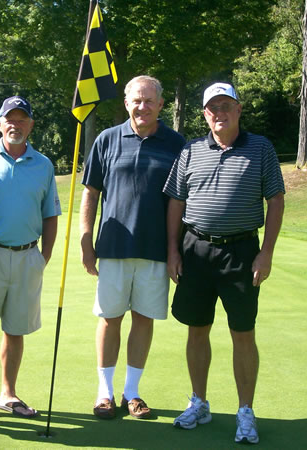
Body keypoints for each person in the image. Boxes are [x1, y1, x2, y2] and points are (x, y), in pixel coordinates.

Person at [164, 82, 285, 444]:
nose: (220, 112)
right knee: (196, 329)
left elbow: (275, 201)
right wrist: (173, 251)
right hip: (196, 251)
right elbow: (176, 202)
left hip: (242, 253)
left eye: (226, 106)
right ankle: (199, 402)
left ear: (238, 109)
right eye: (213, 107)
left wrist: (267, 253)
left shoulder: (260, 148)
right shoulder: (191, 150)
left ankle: (245, 411)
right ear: (205, 114)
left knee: (242, 333)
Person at [80, 75, 186, 420]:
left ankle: (133, 393)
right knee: (110, 319)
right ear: (126, 103)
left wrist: (175, 250)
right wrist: (85, 237)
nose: (143, 106)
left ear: (161, 104)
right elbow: (91, 191)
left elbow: (179, 200)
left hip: (155, 249)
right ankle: (105, 393)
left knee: (143, 319)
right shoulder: (107, 139)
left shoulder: (176, 144)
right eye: (136, 100)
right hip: (113, 246)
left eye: (149, 100)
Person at [0, 96, 60, 423]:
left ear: (31, 124)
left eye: (22, 119)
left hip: (26, 256)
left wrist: (42, 258)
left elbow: (50, 216)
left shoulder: (44, 165)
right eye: (10, 119)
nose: (15, 125)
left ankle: (8, 393)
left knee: (15, 330)